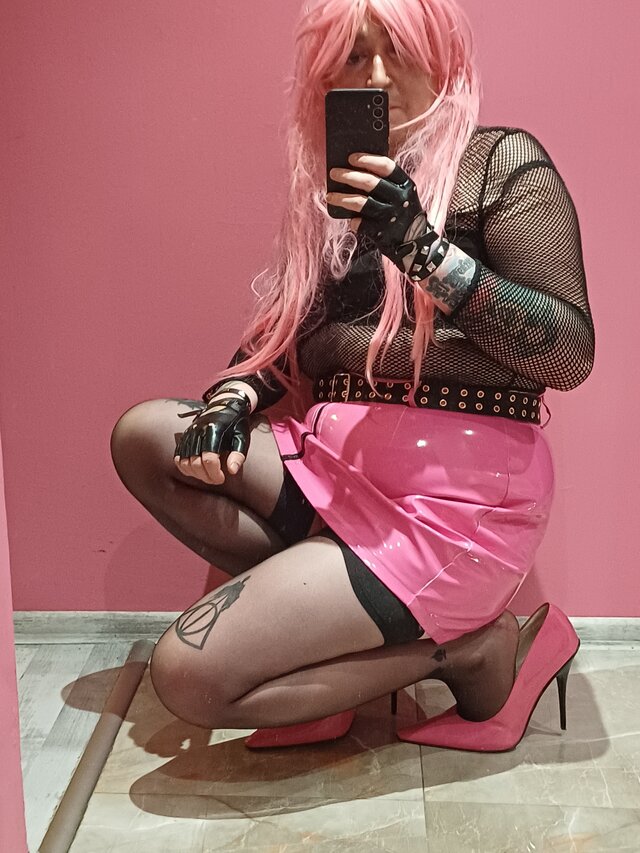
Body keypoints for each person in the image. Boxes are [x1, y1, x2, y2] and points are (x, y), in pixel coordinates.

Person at [111, 0, 594, 752]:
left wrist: (423, 249)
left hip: (454, 499)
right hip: (337, 472)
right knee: (146, 437)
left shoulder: (499, 163)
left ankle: (470, 649)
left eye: (398, 51)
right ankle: (322, 651)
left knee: (188, 676)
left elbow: (567, 352)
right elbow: (293, 337)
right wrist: (232, 401)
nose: (376, 76)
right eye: (352, 56)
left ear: (442, 60)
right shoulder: (331, 196)